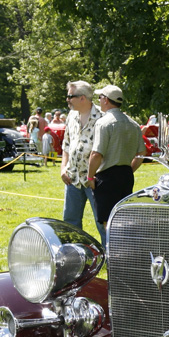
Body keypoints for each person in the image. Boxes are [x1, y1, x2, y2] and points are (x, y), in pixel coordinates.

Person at [87, 84, 146, 249]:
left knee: (108, 223)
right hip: (126, 174)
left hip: (106, 177)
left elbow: (96, 154)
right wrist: (128, 169)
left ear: (106, 100)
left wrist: (90, 177)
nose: (99, 100)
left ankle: (114, 257)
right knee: (122, 219)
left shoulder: (104, 123)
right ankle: (125, 253)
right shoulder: (133, 124)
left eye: (100, 97)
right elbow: (141, 152)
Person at [60, 80, 104, 241]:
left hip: (96, 179)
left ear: (83, 98)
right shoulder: (71, 116)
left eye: (70, 96)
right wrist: (63, 168)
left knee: (102, 221)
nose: (67, 100)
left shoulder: (102, 117)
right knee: (70, 221)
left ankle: (111, 257)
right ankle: (75, 254)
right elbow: (66, 144)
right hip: (72, 178)